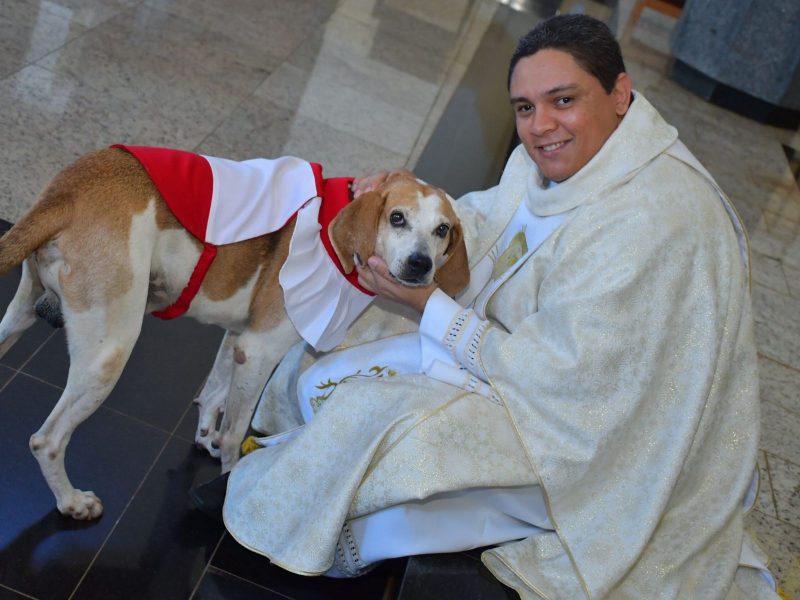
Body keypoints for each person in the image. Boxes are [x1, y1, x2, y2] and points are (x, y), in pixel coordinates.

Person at [205, 14, 777, 599]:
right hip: (520, 356)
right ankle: (291, 474)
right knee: (342, 336)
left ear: (620, 93)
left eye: (563, 99)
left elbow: (572, 386)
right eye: (524, 107)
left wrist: (434, 310)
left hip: (595, 438)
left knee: (384, 427)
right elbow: (489, 224)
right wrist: (416, 202)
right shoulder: (557, 152)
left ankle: (321, 516)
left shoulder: (655, 222)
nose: (540, 126)